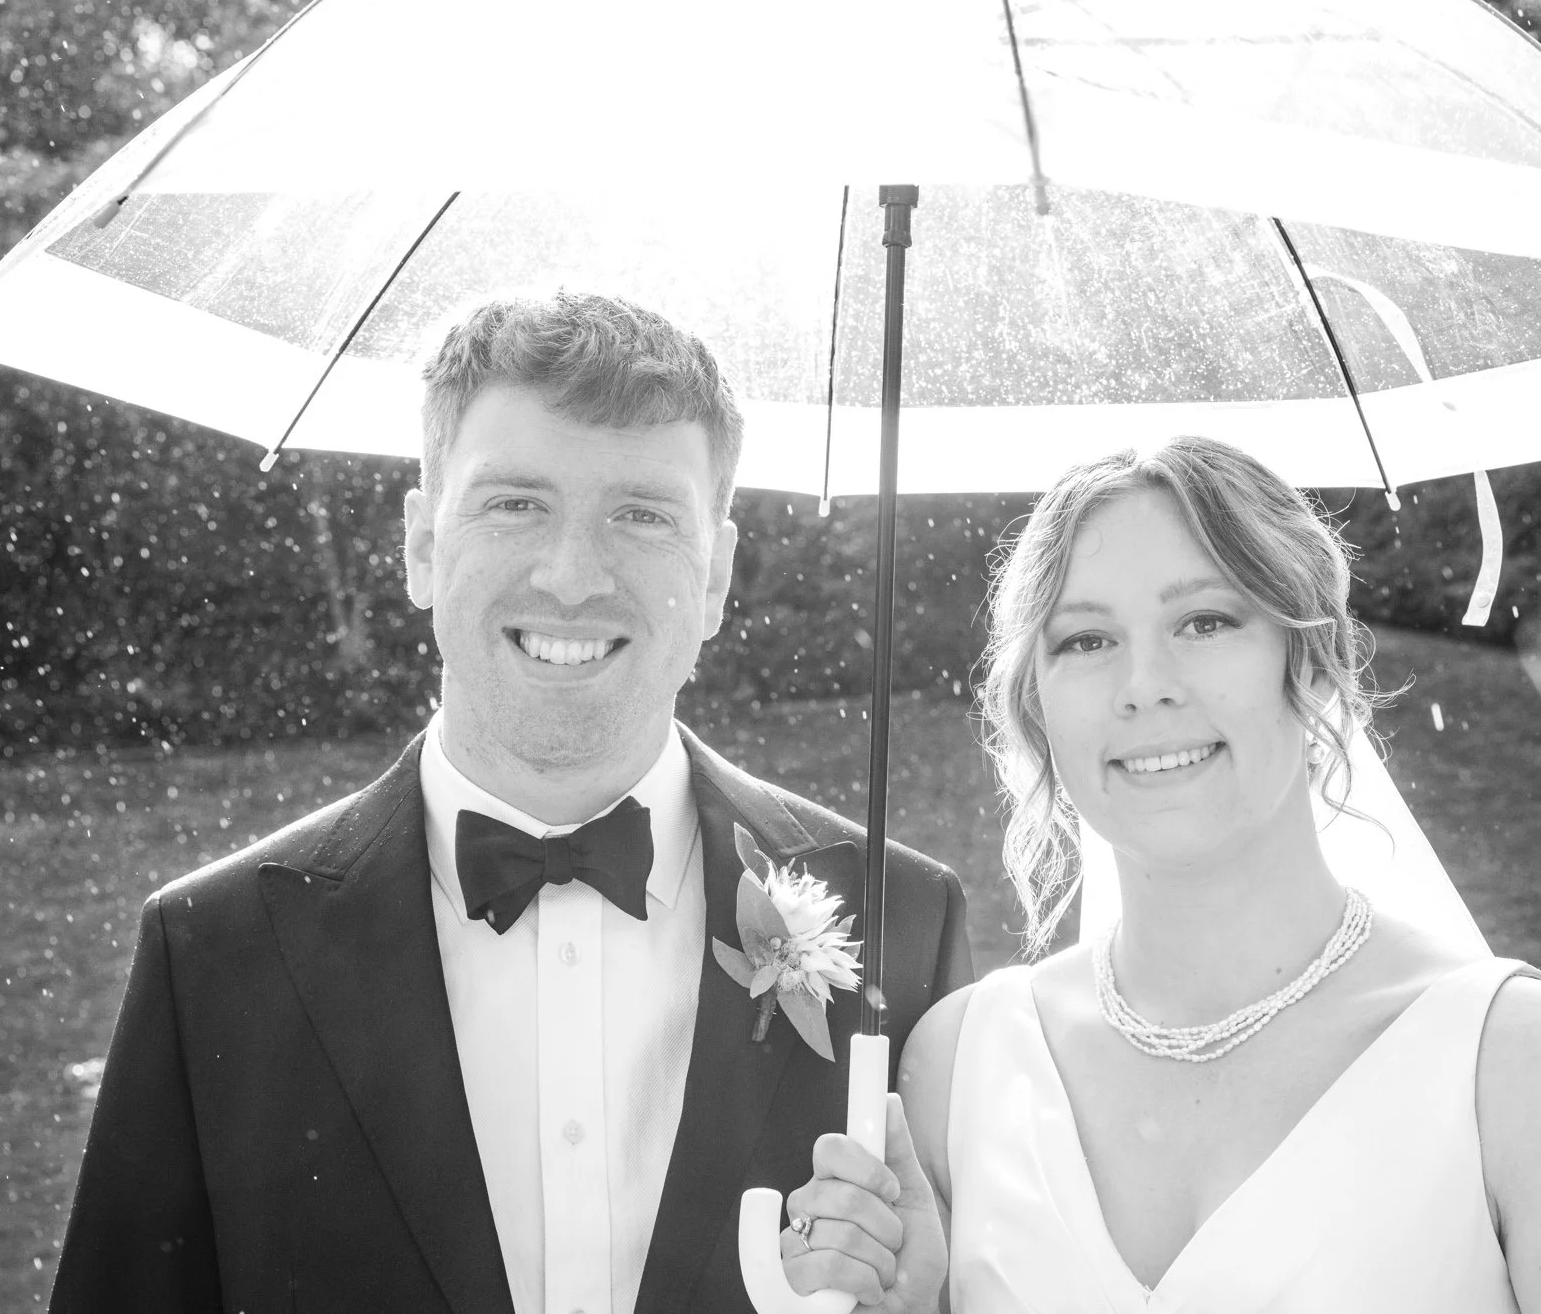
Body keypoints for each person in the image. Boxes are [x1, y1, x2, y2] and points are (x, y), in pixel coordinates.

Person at [47, 289, 972, 1314]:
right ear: (420, 546)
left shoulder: (901, 924)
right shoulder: (212, 953)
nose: (571, 575)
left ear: (714, 577)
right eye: (514, 502)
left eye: (641, 514)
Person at [799, 435, 1541, 1311]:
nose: (1144, 682)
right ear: (1035, 703)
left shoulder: (1523, 1065)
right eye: (1085, 639)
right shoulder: (958, 1066)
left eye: (1204, 620)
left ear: (1308, 661)